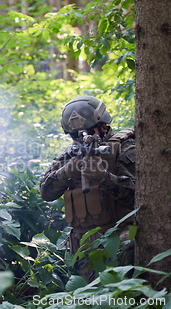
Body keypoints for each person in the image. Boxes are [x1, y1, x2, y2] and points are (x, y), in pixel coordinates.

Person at [39, 95, 136, 281]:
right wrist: (65, 172)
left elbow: (139, 197)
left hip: (121, 238)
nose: (82, 138)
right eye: (75, 135)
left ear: (104, 125)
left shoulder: (124, 147)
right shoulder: (71, 154)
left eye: (88, 131)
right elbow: (46, 192)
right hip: (84, 244)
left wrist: (106, 179)